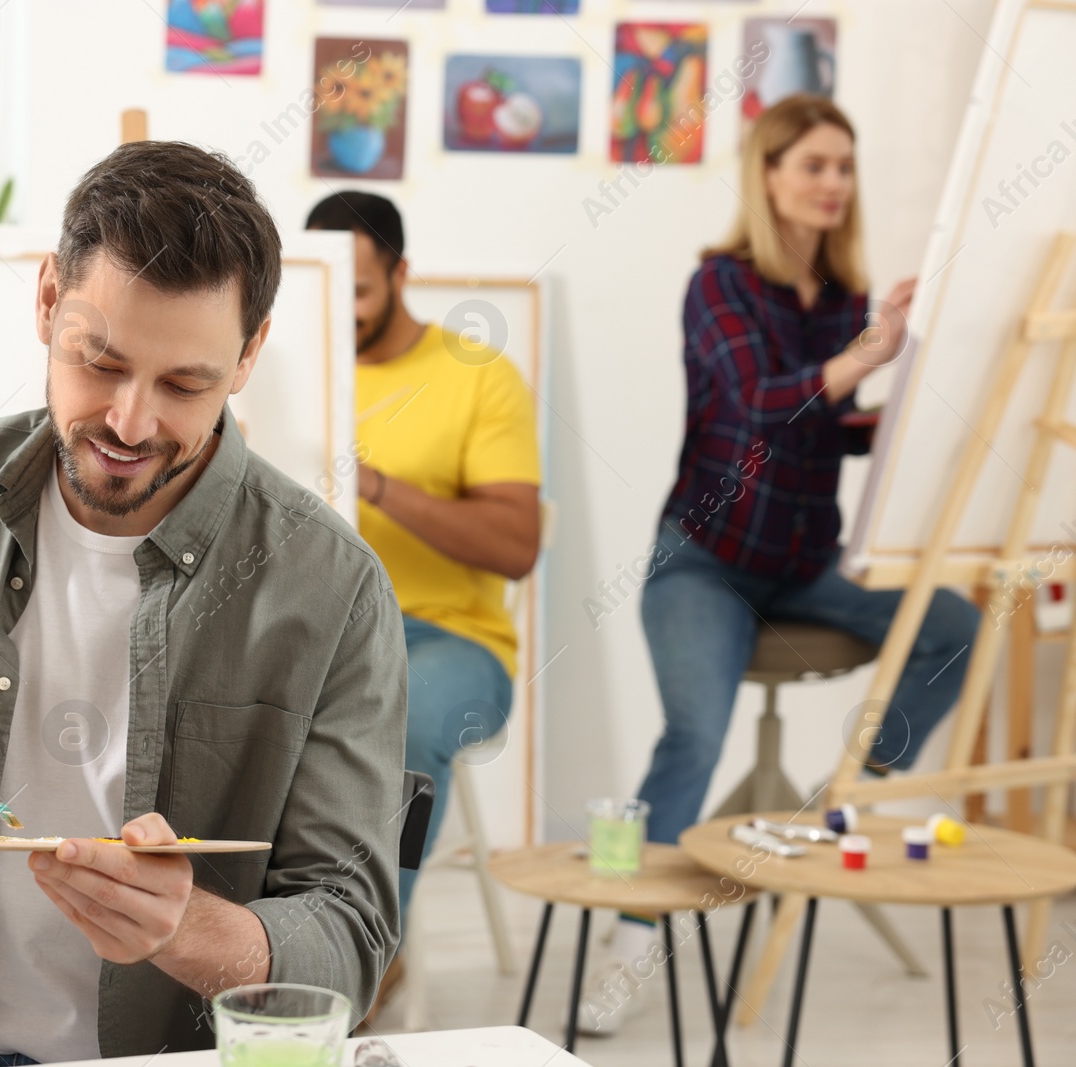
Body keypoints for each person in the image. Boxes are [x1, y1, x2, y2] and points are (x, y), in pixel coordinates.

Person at [0, 141, 407, 1066]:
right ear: (48, 301)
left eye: (184, 385)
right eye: (100, 361)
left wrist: (185, 927)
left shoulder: (333, 587)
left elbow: (351, 939)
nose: (129, 422)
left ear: (248, 356)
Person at [579, 95, 980, 1037]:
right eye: (813, 165)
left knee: (956, 622)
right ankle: (631, 935)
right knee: (693, 737)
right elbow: (759, 403)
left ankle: (864, 772)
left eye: (844, 166)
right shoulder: (718, 286)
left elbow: (820, 424)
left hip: (804, 567)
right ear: (768, 175)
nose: (833, 183)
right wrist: (868, 354)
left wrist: (900, 404)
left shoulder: (843, 297)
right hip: (706, 564)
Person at [305, 191, 542, 1010]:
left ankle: (368, 947)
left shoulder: (477, 375)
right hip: (322, 636)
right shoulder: (284, 365)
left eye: (361, 290)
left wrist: (369, 482)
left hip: (452, 641)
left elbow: (518, 544)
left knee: (402, 725)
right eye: (327, 291)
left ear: (402, 273)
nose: (344, 312)